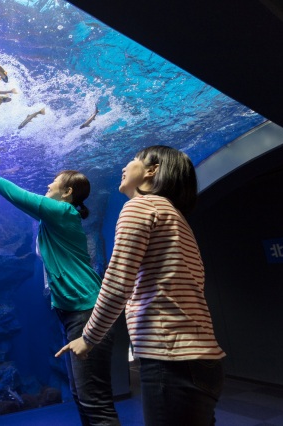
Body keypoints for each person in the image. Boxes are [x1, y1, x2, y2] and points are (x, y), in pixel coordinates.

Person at [56, 146, 226, 426]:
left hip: (171, 357)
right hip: (204, 359)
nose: (125, 166)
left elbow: (116, 284)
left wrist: (88, 339)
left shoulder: (140, 207)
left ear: (152, 170)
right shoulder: (174, 216)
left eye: (133, 159)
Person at [0, 157, 120, 426]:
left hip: (86, 311)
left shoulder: (63, 213)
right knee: (81, 395)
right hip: (73, 313)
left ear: (68, 192)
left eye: (54, 182)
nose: (49, 184)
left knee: (94, 400)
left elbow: (22, 197)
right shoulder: (55, 221)